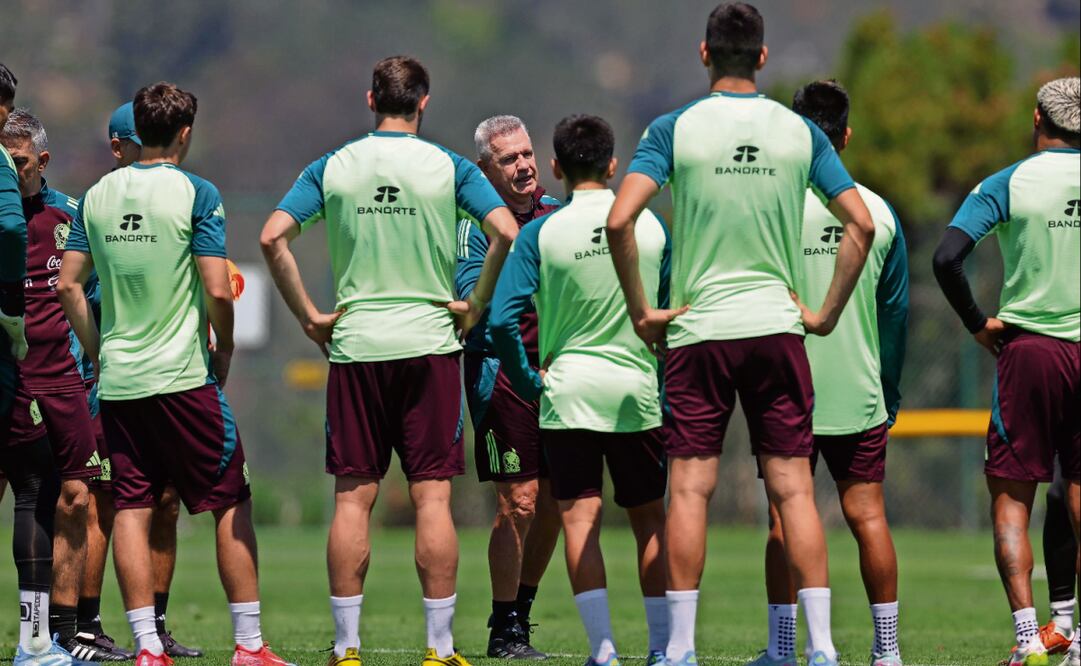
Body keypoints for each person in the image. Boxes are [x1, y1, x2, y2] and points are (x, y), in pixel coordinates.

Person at [606, 4, 877, 665]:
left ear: (704, 53)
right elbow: (861, 225)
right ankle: (820, 650)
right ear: (761, 57)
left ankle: (679, 651)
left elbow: (619, 221)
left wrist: (643, 310)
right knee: (791, 490)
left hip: (699, 331)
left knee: (690, 490)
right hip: (776, 330)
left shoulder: (673, 128)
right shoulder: (797, 132)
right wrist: (824, 314)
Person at [260, 55, 518, 666]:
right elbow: (505, 229)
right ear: (423, 102)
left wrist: (309, 315)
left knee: (353, 500)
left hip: (357, 346)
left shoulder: (334, 165)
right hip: (429, 344)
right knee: (432, 499)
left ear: (369, 99)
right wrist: (475, 304)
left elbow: (272, 236)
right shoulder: (449, 166)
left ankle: (347, 650)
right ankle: (439, 649)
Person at [57, 81, 293, 666]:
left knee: (131, 507)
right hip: (184, 377)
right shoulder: (197, 192)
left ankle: (146, 648)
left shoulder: (96, 196)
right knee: (230, 500)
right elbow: (218, 287)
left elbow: (68, 286)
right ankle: (248, 645)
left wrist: (101, 349)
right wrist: (227, 348)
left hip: (121, 383)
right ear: (185, 133)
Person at [491, 114, 670, 666]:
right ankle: (665, 649)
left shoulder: (543, 232)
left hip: (567, 397)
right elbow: (668, 317)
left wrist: (527, 380)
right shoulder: (651, 228)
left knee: (579, 520)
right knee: (650, 523)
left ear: (556, 168)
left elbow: (501, 321)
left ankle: (604, 650)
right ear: (614, 165)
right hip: (635, 393)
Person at [750, 81, 909, 666]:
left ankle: (783, 649)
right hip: (859, 389)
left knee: (780, 519)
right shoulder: (877, 212)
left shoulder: (770, 209)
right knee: (868, 515)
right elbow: (895, 315)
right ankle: (887, 652)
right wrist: (888, 389)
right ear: (845, 135)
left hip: (783, 390)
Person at [932, 76, 1080, 666]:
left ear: (1037, 119)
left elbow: (946, 257)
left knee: (1013, 497)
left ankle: (1028, 640)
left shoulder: (1009, 181)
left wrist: (976, 322)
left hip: (1030, 353)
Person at [73, 101, 201, 661]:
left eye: (123, 143)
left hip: (171, 373)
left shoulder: (174, 197)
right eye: (115, 144)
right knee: (108, 500)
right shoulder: (100, 204)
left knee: (167, 501)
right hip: (114, 377)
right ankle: (86, 624)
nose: (118, 153)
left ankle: (157, 626)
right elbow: (78, 287)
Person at [455, 114, 561, 659]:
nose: (522, 166)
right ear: (484, 169)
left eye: (526, 154)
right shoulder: (475, 223)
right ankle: (504, 629)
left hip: (560, 373)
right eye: (508, 159)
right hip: (501, 373)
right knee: (517, 501)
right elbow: (476, 297)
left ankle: (522, 612)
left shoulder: (560, 215)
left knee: (557, 503)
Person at [0, 62, 81, 666]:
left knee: (66, 496)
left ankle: (65, 630)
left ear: (41, 163)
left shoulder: (72, 217)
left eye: (20, 162)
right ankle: (34, 642)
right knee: (32, 493)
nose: (11, 169)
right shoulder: (5, 215)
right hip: (15, 376)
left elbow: (96, 290)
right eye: (6, 158)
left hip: (62, 380)